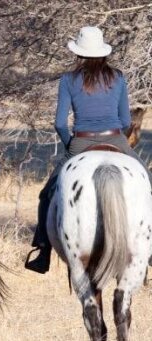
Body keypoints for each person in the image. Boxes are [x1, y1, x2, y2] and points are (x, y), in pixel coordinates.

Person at [25, 26, 149, 274]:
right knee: (148, 182)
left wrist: (70, 144)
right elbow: (126, 121)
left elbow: (60, 123)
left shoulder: (68, 80)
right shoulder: (118, 77)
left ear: (79, 54)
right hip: (116, 140)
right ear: (103, 52)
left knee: (46, 193)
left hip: (80, 142)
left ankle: (42, 252)